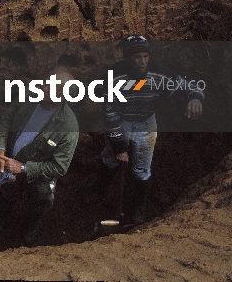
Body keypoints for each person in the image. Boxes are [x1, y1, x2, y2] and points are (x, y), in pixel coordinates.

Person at [84, 34, 204, 223]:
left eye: (145, 56)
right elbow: (111, 114)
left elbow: (187, 86)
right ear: (127, 58)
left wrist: (194, 97)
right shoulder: (114, 76)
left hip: (146, 123)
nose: (142, 62)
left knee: (141, 168)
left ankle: (140, 205)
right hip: (122, 120)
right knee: (111, 159)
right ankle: (99, 190)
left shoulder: (159, 74)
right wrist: (120, 147)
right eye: (136, 57)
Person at [0, 69, 79, 246]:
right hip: (10, 160)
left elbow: (60, 167)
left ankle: (32, 223)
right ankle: (1, 216)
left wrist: (23, 168)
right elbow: (7, 118)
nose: (43, 86)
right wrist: (1, 152)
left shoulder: (68, 126)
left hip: (39, 174)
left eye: (50, 86)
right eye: (46, 81)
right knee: (8, 193)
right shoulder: (29, 96)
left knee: (40, 199)